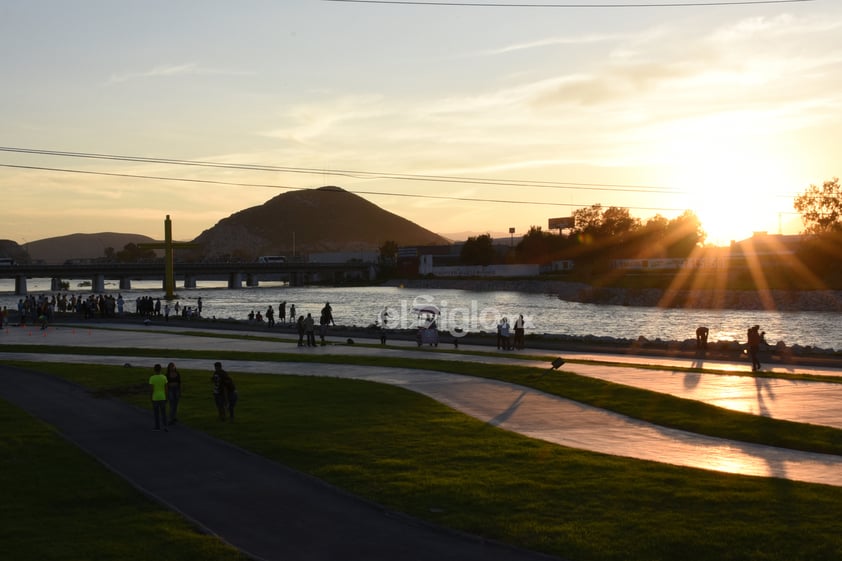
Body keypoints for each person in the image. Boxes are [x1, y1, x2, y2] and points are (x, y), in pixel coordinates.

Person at [149, 364, 168, 431]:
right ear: (161, 369)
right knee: (163, 413)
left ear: (154, 370)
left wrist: (150, 397)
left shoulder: (152, 378)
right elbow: (166, 389)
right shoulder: (164, 377)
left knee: (156, 413)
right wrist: (166, 396)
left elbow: (151, 389)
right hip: (162, 397)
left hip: (155, 397)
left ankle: (157, 427)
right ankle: (165, 426)